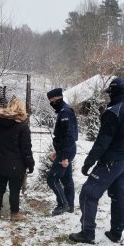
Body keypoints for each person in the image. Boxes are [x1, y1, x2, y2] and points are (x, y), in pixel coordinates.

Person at [69, 77, 124, 244]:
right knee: (118, 196)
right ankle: (116, 232)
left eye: (110, 93)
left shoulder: (113, 112)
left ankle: (87, 233)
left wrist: (89, 162)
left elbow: (102, 142)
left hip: (111, 162)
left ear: (113, 92)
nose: (108, 96)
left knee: (88, 193)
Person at [0, 98, 34, 220]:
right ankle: (14, 214)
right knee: (14, 190)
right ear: (22, 109)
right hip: (15, 165)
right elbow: (26, 149)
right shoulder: (23, 126)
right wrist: (30, 164)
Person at [47, 87, 78, 216]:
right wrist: (58, 152)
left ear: (56, 99)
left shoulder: (65, 112)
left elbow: (69, 135)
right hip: (66, 149)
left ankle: (62, 204)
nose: (51, 103)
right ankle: (70, 205)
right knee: (66, 179)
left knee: (52, 178)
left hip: (67, 150)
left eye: (51, 100)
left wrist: (64, 156)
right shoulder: (64, 110)